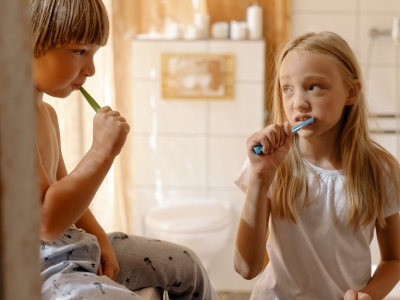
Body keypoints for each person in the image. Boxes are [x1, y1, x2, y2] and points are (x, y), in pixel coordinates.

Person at [31, 0, 219, 299]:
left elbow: (67, 199)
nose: (91, 69)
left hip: (71, 243)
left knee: (188, 265)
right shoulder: (9, 118)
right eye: (80, 51)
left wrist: (100, 236)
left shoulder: (47, 115)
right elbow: (46, 222)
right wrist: (102, 152)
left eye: (94, 53)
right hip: (35, 266)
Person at [233, 31, 400, 300]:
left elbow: (394, 260)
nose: (298, 101)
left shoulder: (380, 170)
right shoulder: (269, 164)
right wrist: (260, 178)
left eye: (314, 86)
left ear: (350, 92)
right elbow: (245, 268)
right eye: (288, 88)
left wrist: (368, 295)